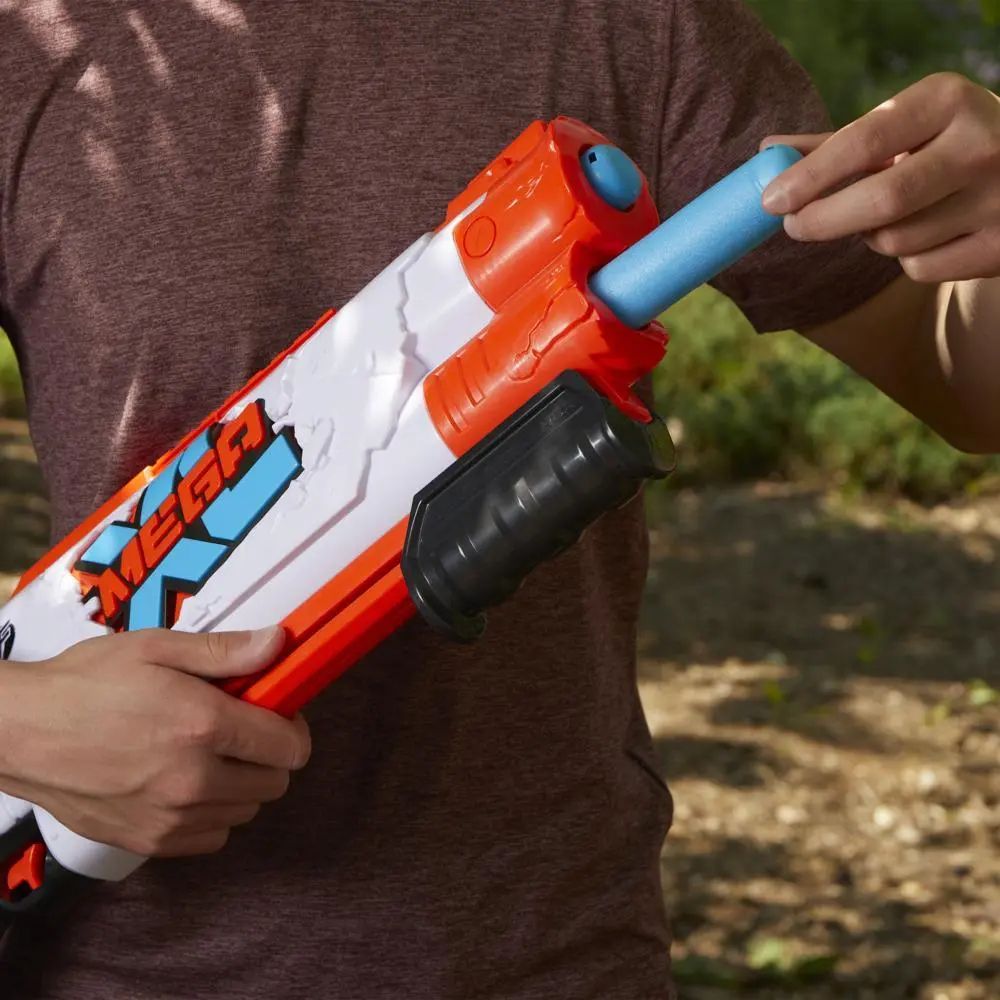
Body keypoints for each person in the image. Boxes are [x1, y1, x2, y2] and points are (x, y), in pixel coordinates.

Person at [0, 2, 996, 997]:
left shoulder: (628, 21)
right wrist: (24, 726)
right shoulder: (30, 45)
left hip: (549, 954)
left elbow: (961, 379)